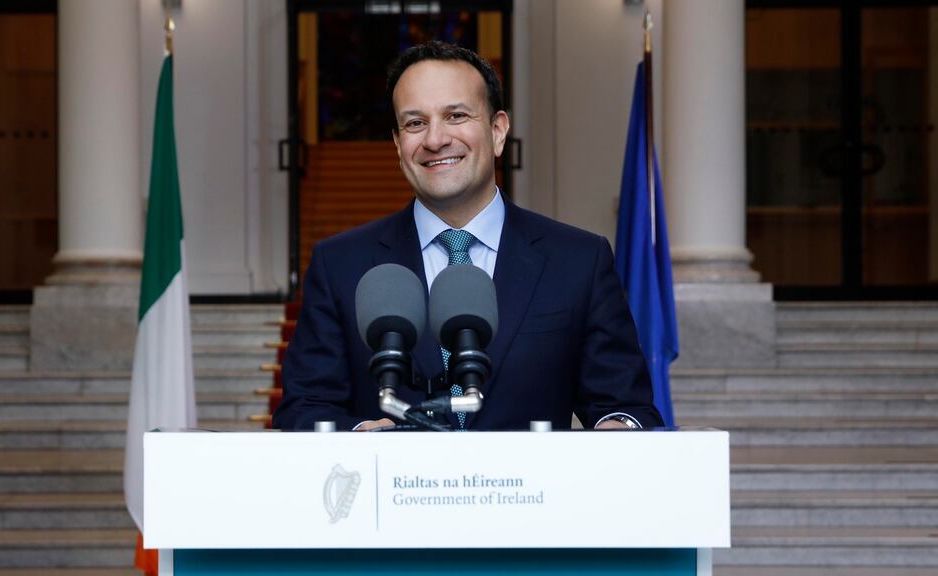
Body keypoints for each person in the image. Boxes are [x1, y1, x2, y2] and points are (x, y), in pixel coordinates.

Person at [273, 41, 662, 432]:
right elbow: (302, 411)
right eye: (414, 123)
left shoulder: (579, 261)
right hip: (397, 490)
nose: (435, 139)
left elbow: (628, 406)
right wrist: (360, 440)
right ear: (397, 144)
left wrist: (620, 430)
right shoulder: (340, 265)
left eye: (456, 115)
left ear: (497, 131)